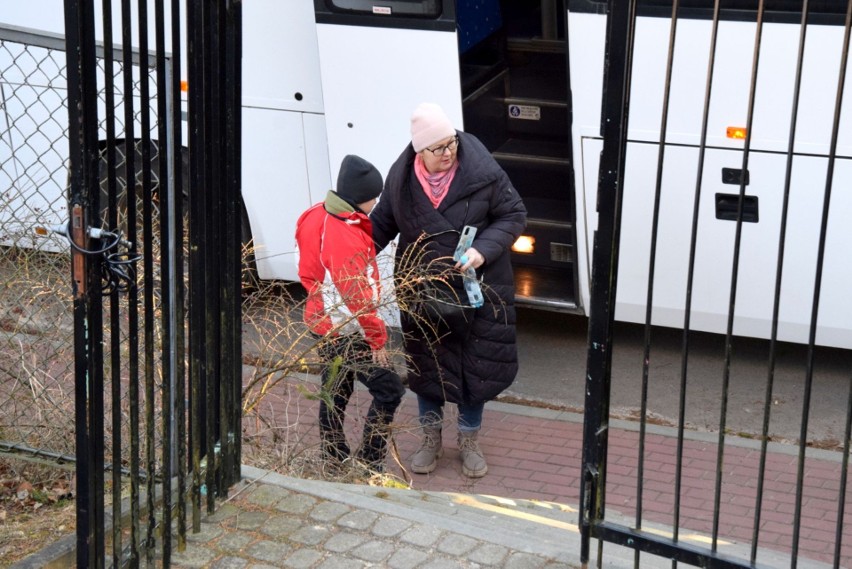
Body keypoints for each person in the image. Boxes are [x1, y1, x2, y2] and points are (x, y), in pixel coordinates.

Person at [371, 102, 527, 478]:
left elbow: (514, 215)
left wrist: (482, 250)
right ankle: (430, 440)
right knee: (428, 366)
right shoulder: (401, 179)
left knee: (475, 367)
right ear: (418, 151)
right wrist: (349, 255)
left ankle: (469, 441)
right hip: (424, 290)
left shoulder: (483, 171)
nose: (448, 153)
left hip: (478, 287)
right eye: (438, 148)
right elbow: (381, 223)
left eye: (451, 143)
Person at [295, 154, 406, 471]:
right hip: (345, 328)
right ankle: (370, 462)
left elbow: (303, 265)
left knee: (336, 389)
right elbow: (355, 297)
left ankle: (333, 455)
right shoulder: (345, 234)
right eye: (374, 197)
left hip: (320, 321)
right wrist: (377, 340)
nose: (376, 202)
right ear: (361, 199)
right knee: (389, 391)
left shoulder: (314, 214)